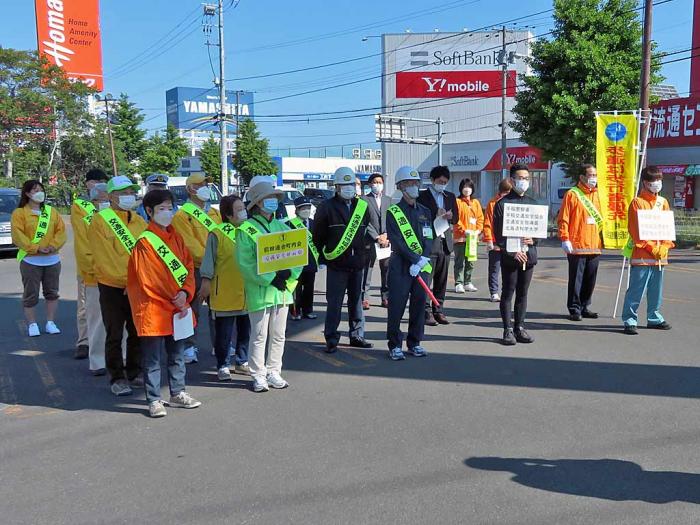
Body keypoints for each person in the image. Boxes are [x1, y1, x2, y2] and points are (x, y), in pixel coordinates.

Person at [127, 189, 201, 418]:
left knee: (177, 353)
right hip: (154, 308)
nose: (168, 212)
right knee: (152, 358)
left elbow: (188, 267)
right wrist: (178, 297)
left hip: (177, 306)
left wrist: (185, 292)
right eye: (162, 209)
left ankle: (177, 392)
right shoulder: (145, 242)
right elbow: (149, 279)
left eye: (170, 208)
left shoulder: (176, 236)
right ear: (149, 211)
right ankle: (154, 399)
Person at [236, 180, 302, 392]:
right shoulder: (245, 230)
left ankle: (274, 370)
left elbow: (297, 257)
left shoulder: (283, 226)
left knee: (279, 334)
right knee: (259, 335)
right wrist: (271, 278)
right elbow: (245, 263)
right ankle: (258, 374)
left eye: (274, 198)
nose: (273, 201)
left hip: (282, 291)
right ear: (257, 203)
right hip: (260, 291)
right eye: (268, 198)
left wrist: (289, 279)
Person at [90, 175, 147, 396]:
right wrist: (125, 281)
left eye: (130, 192)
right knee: (114, 332)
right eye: (123, 193)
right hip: (112, 286)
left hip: (136, 285)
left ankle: (134, 370)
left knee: (137, 330)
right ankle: (117, 376)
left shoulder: (139, 220)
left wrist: (137, 281)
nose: (128, 196)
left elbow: (146, 253)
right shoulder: (100, 220)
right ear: (111, 196)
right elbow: (104, 258)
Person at [312, 167, 373, 354]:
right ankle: (331, 338)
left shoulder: (362, 206)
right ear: (336, 186)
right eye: (344, 185)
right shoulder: (326, 207)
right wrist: (324, 257)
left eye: (351, 184)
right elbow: (318, 236)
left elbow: (366, 231)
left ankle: (357, 335)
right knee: (335, 303)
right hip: (337, 264)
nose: (348, 188)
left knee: (356, 302)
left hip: (357, 263)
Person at [172, 173, 222, 364]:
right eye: (200, 184)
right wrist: (213, 259)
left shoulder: (215, 213)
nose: (205, 187)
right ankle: (188, 346)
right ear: (190, 189)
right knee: (192, 308)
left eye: (206, 184)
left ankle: (220, 344)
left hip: (218, 267)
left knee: (218, 308)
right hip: (196, 269)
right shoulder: (182, 216)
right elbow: (189, 245)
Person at [200, 194, 251, 381]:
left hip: (247, 291)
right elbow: (209, 261)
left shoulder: (250, 230)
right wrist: (205, 282)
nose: (243, 212)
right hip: (224, 292)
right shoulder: (217, 233)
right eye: (239, 210)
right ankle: (222, 364)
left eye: (243, 208)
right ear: (228, 215)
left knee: (245, 330)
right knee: (224, 333)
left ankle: (242, 361)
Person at [386, 166, 433, 361]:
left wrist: (422, 259)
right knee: (397, 306)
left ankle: (415, 342)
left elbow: (429, 236)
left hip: (421, 266)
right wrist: (414, 259)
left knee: (419, 305)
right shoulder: (393, 212)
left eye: (417, 183)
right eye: (410, 183)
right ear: (401, 187)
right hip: (401, 266)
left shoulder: (425, 211)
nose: (415, 187)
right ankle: (394, 345)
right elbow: (396, 240)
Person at [622, 166, 674, 335]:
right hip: (643, 255)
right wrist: (652, 247)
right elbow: (636, 231)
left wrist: (665, 246)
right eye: (653, 180)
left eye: (659, 180)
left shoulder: (663, 202)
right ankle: (630, 319)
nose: (657, 183)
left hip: (660, 256)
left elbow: (667, 228)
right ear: (645, 182)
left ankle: (654, 317)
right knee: (636, 289)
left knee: (656, 290)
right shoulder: (637, 202)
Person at [11, 180, 66, 337]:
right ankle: (32, 324)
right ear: (27, 194)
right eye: (35, 190)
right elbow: (18, 236)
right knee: (31, 293)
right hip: (30, 260)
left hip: (52, 259)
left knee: (52, 292)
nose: (39, 192)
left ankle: (50, 322)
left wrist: (53, 246)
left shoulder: (51, 211)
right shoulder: (20, 213)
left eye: (40, 189)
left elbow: (61, 232)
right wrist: (36, 248)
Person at [492, 164, 538, 346]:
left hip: (529, 255)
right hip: (511, 256)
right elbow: (499, 234)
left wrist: (532, 240)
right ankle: (507, 329)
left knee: (523, 293)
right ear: (512, 180)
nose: (524, 181)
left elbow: (538, 232)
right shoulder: (502, 204)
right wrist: (512, 251)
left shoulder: (533, 204)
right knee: (508, 292)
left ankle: (520, 327)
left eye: (527, 178)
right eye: (520, 178)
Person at [70, 168, 109, 359]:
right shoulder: (81, 206)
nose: (100, 186)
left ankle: (107, 343)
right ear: (87, 184)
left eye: (103, 182)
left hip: (112, 268)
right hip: (89, 267)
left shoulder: (112, 207)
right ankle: (84, 342)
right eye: (95, 182)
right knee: (85, 307)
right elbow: (83, 238)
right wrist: (91, 265)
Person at [557, 164, 603, 321]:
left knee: (590, 279)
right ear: (582, 177)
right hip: (577, 245)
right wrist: (565, 238)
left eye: (596, 175)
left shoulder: (598, 195)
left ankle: (584, 306)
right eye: (591, 175)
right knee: (576, 279)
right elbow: (564, 218)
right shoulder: (572, 194)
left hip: (594, 245)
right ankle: (574, 308)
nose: (594, 178)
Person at [417, 165, 457, 326]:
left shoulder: (450, 196)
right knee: (427, 278)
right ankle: (426, 311)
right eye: (440, 181)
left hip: (445, 241)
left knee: (442, 279)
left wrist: (451, 216)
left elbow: (457, 219)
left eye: (445, 182)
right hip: (429, 241)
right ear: (433, 180)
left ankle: (438, 309)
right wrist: (435, 214)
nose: (443, 184)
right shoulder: (422, 196)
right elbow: (418, 217)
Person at [287, 196, 319, 321]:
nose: (306, 210)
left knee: (309, 288)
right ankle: (295, 311)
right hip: (295, 262)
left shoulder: (314, 223)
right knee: (296, 288)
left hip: (311, 261)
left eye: (308, 207)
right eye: (303, 208)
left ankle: (308, 310)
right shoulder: (289, 224)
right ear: (297, 210)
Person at [362, 172, 391, 309]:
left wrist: (385, 235)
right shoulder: (363, 200)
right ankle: (364, 298)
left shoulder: (388, 200)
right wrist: (376, 236)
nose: (377, 185)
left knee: (386, 269)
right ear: (370, 184)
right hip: (370, 240)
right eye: (375, 182)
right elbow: (364, 221)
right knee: (367, 269)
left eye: (380, 182)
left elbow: (391, 219)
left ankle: (385, 297)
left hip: (385, 241)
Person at [482, 178, 513, 302]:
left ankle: (507, 292)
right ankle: (494, 292)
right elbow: (487, 223)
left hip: (510, 242)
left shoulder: (513, 203)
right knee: (494, 269)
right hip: (495, 242)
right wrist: (489, 240)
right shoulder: (492, 203)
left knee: (509, 269)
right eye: (506, 192)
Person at [453, 177, 484, 294]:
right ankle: (458, 283)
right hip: (460, 237)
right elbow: (456, 219)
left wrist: (478, 230)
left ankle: (468, 281)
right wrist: (463, 230)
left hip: (472, 238)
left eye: (469, 187)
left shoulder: (476, 203)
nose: (467, 189)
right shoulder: (457, 202)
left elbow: (480, 218)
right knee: (459, 261)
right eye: (465, 187)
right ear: (461, 188)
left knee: (470, 261)